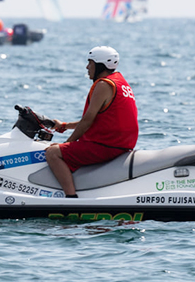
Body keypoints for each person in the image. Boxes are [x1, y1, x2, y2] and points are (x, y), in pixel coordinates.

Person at [45, 46, 138, 198]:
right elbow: (96, 119)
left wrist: (66, 144)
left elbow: (88, 121)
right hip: (119, 144)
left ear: (100, 65)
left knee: (53, 153)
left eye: (90, 63)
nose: (87, 67)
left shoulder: (103, 85)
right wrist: (64, 126)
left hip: (106, 145)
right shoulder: (120, 83)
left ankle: (70, 199)